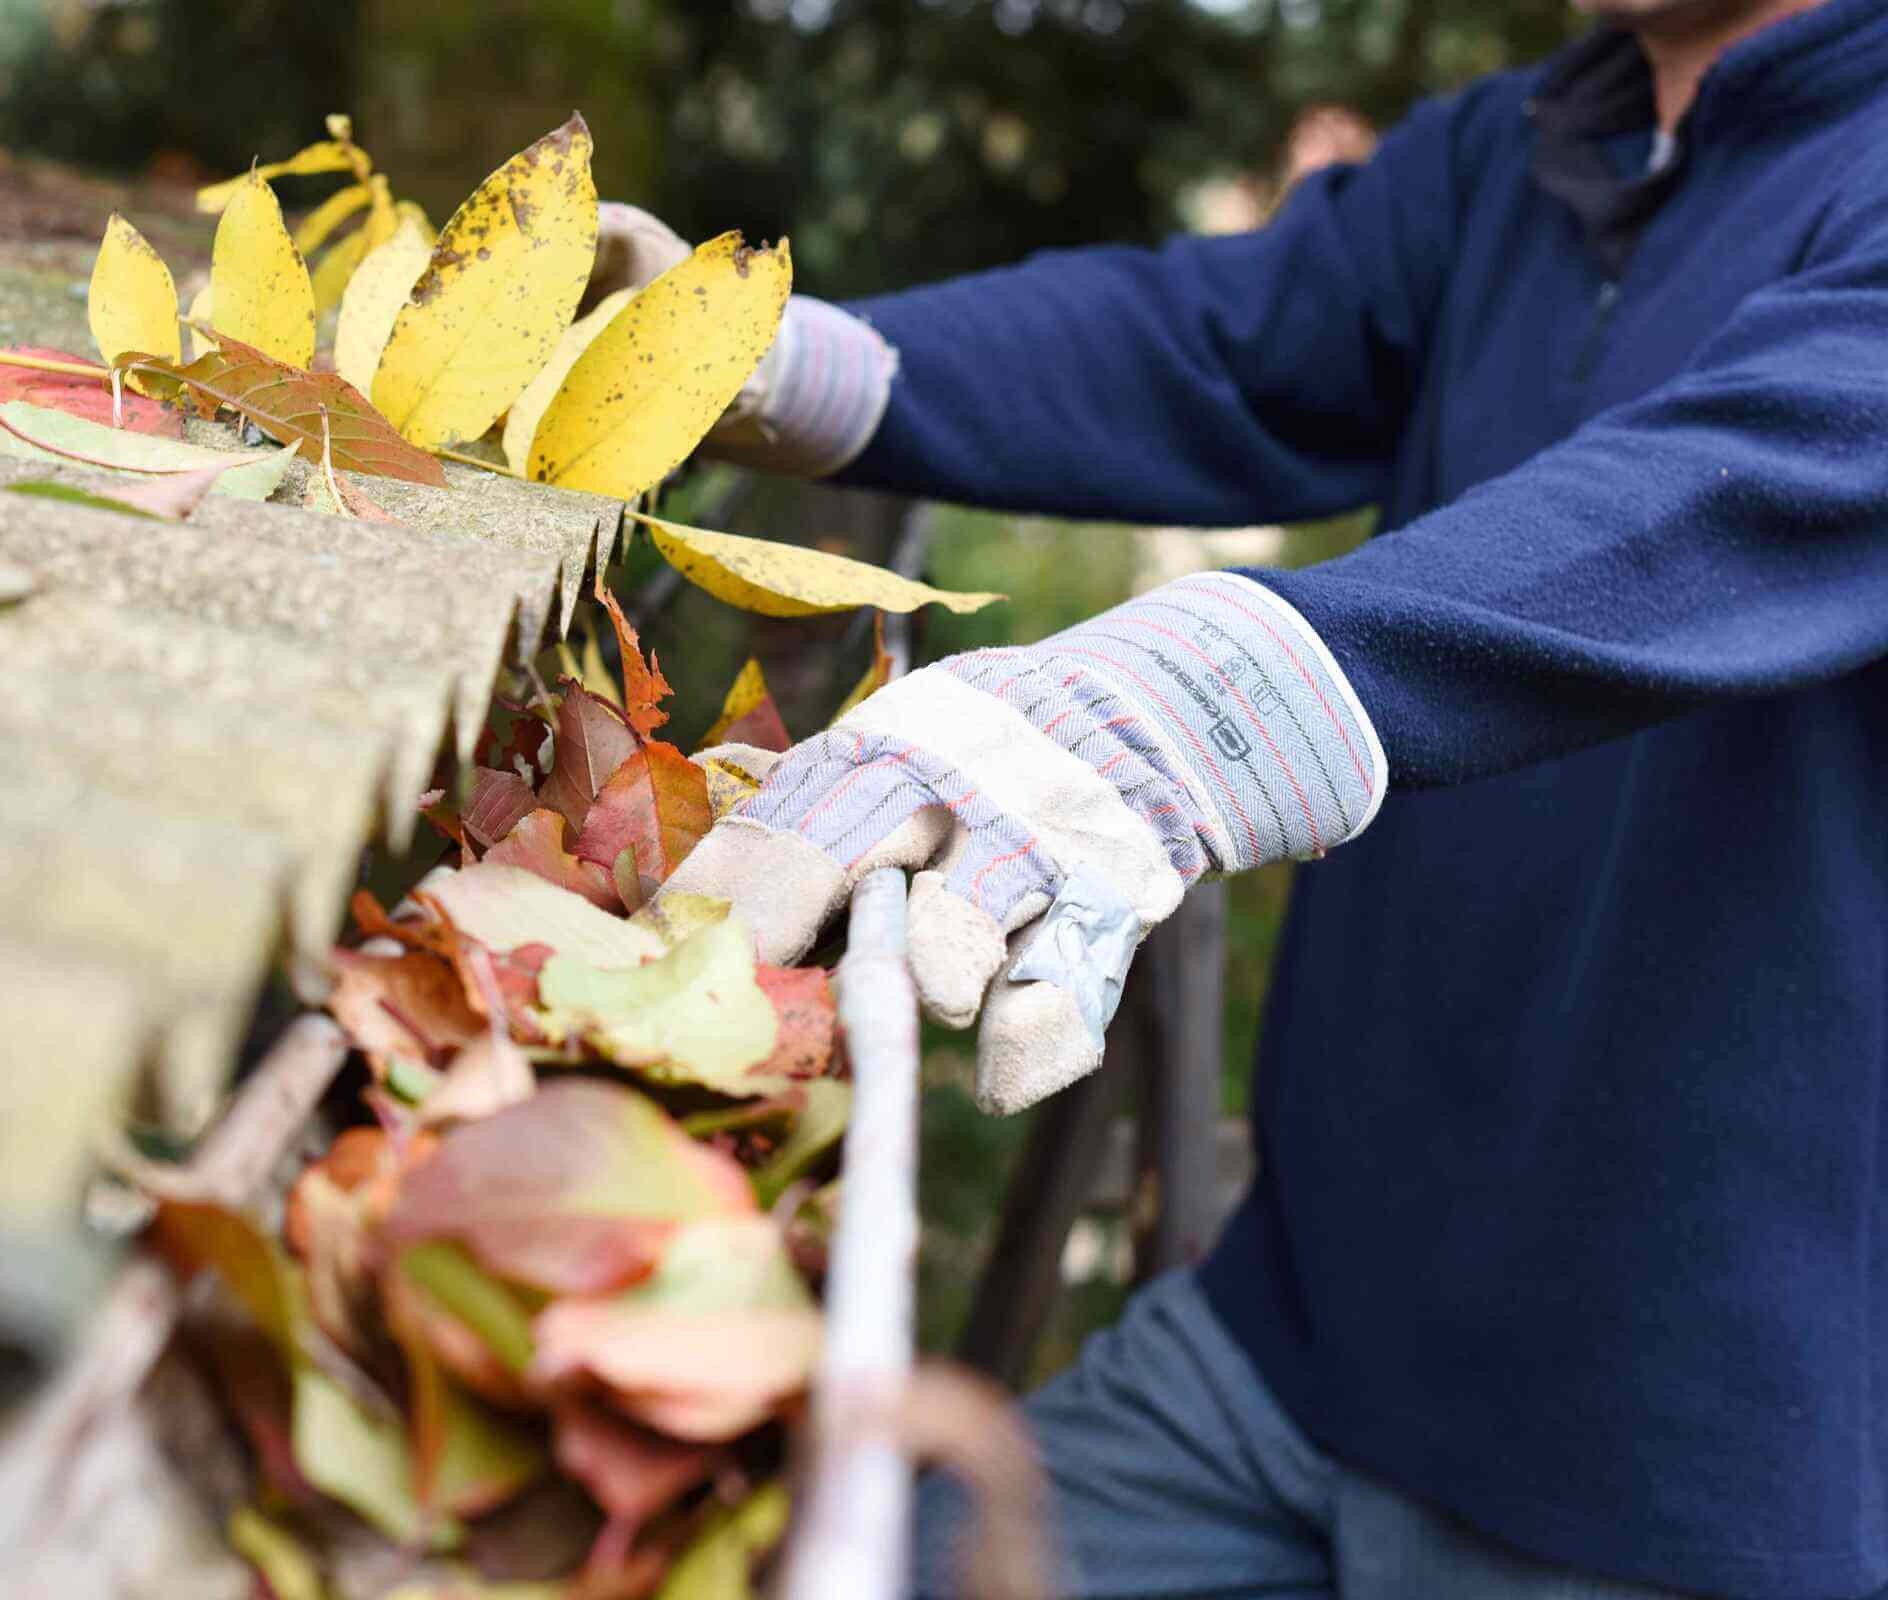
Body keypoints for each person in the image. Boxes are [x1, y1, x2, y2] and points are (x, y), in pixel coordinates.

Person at [613, 0, 1888, 1595]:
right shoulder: (1524, 156)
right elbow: (1209, 341)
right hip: (1289, 1343)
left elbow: (1748, 488)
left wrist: (1201, 702)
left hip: (1674, 1469)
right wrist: (791, 363)